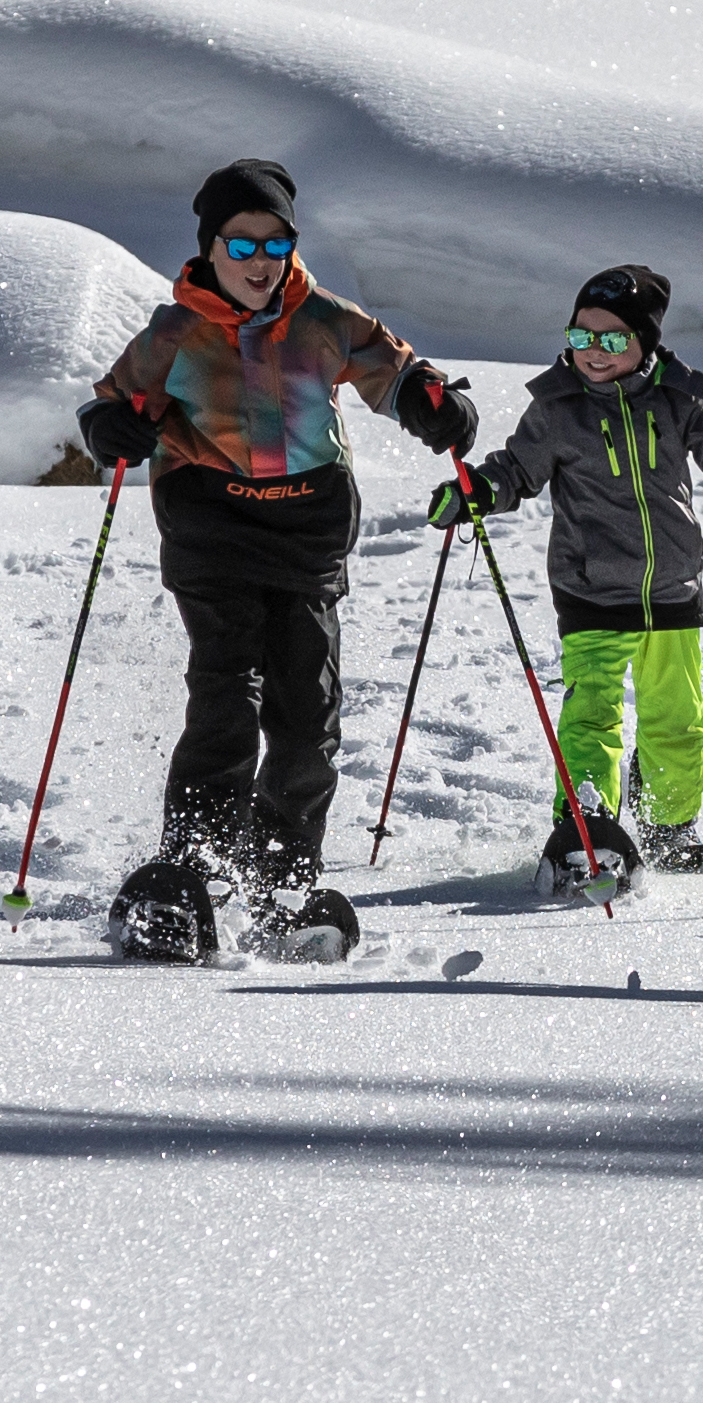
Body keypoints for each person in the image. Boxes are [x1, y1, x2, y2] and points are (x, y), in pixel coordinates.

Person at [72, 160, 478, 953]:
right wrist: (108, 429)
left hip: (308, 532)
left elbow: (389, 370)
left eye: (276, 242)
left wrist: (433, 399)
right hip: (210, 525)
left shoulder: (322, 315)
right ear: (210, 248)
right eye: (242, 244)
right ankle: (190, 871)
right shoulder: (175, 331)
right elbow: (112, 403)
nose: (260, 261)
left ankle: (286, 881)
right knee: (227, 690)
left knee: (305, 711)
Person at [422, 265, 703, 888]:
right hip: (590, 591)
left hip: (672, 592)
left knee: (677, 721)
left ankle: (669, 831)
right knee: (592, 717)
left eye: (611, 340)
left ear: (645, 343)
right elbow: (516, 471)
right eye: (582, 337)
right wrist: (476, 491)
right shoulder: (556, 409)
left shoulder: (678, 397)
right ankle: (585, 827)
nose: (593, 353)